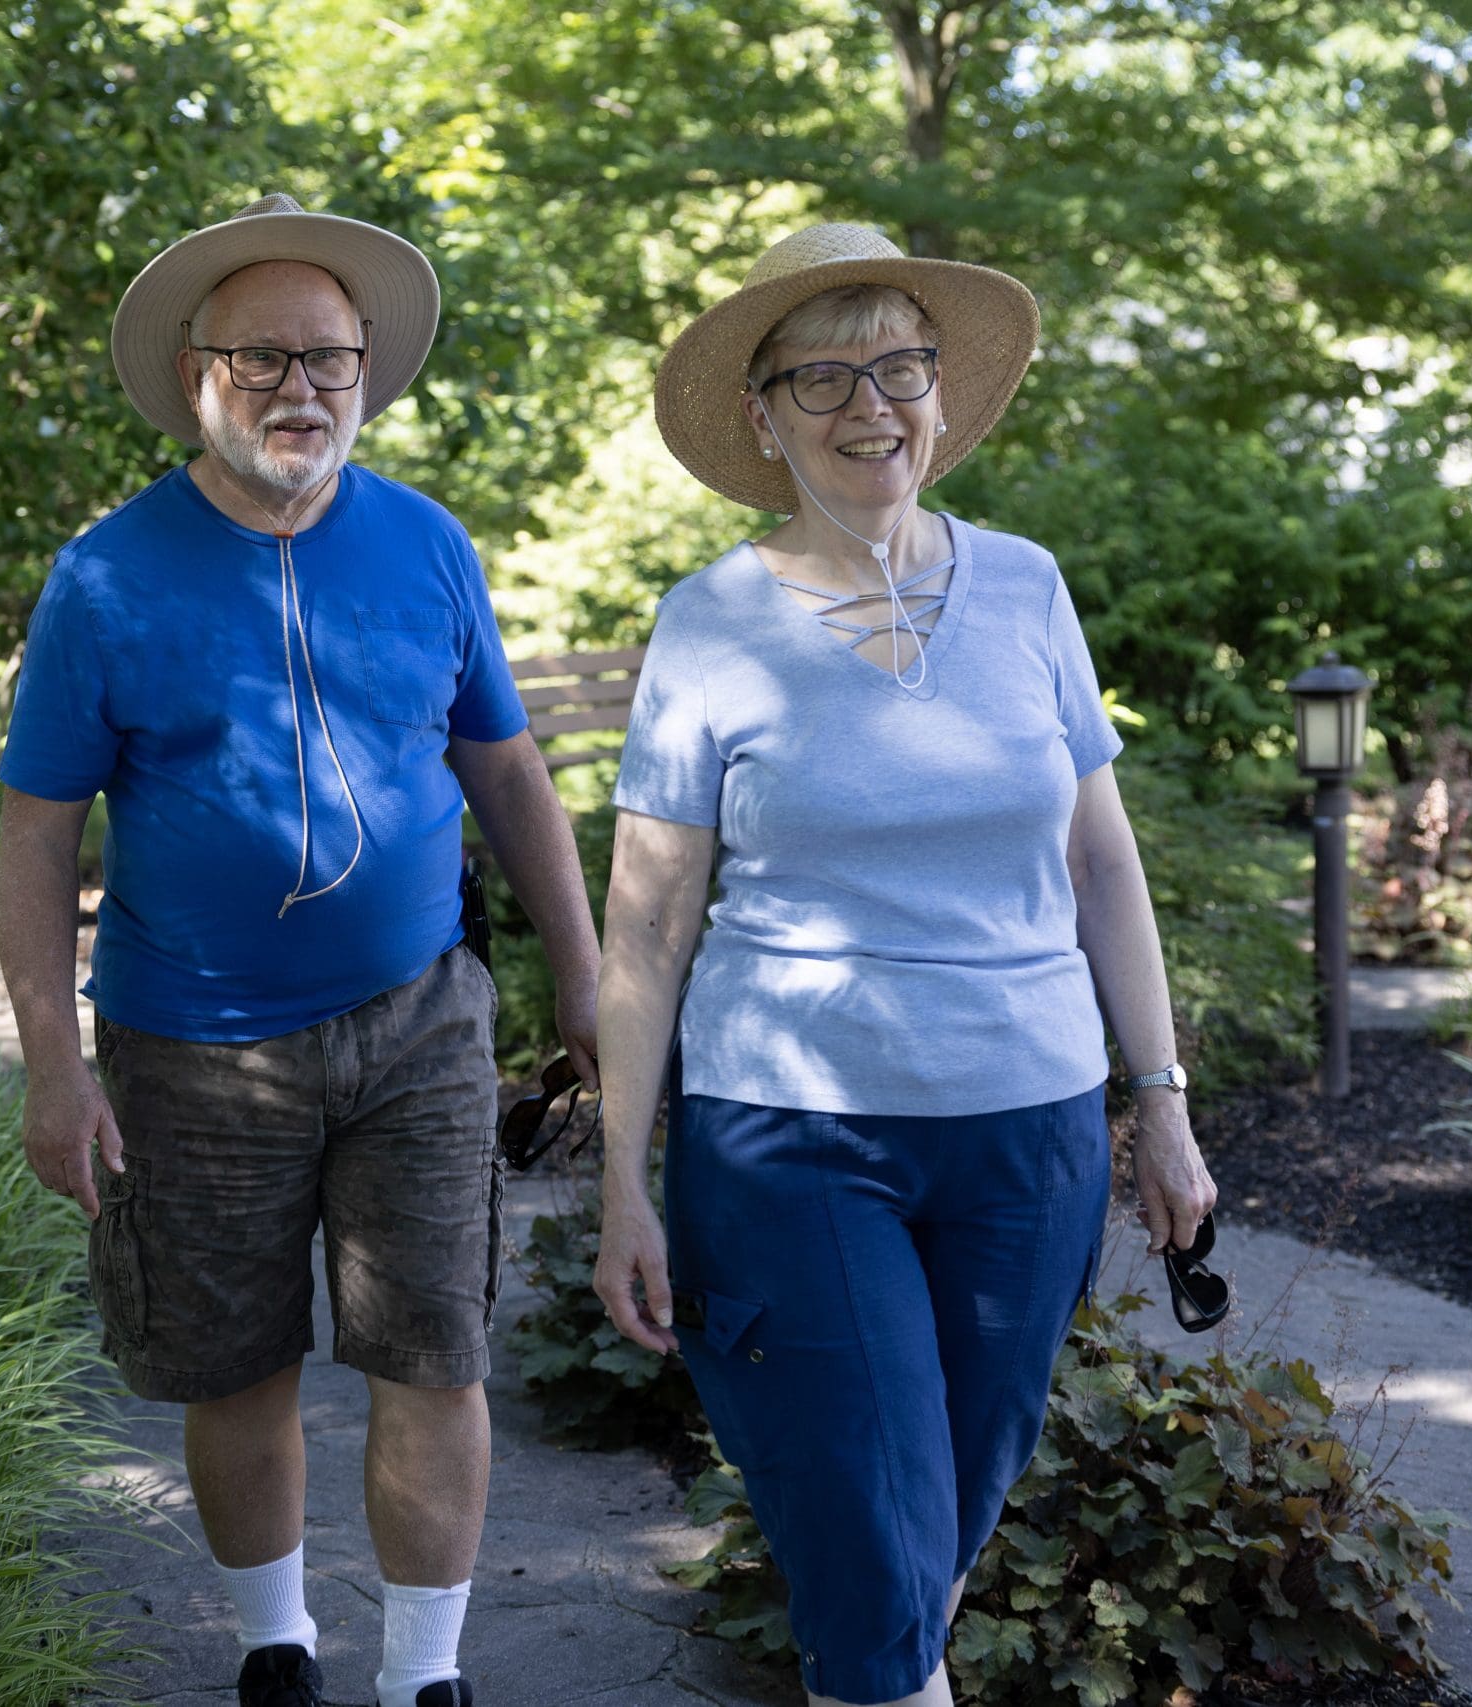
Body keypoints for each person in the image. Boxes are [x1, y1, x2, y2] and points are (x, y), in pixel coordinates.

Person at [591, 222, 1218, 1707]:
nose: (871, 405)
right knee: (871, 1547)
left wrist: (1164, 1101)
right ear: (761, 416)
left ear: (943, 389)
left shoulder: (1026, 588)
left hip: (1030, 1133)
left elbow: (1101, 864)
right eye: (823, 377)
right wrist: (623, 1172)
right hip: (793, 1138)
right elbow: (650, 922)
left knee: (939, 1527)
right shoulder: (709, 621)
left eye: (901, 365)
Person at [0, 194, 599, 1707]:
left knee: (434, 1357)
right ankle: (277, 1646)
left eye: (330, 360)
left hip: (419, 1025)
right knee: (234, 1366)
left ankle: (424, 1677)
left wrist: (590, 984)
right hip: (191, 1042)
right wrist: (53, 1068)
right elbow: (37, 833)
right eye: (260, 359)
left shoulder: (425, 541)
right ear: (195, 374)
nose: (300, 390)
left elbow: (509, 773)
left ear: (367, 376)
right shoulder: (108, 576)